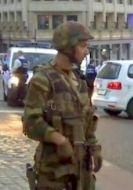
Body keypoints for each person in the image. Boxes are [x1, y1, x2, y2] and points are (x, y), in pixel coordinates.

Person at [22, 21, 102, 190]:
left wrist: (95, 147)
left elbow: (86, 122)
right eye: (82, 46)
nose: (86, 51)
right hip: (54, 174)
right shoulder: (43, 80)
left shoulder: (79, 81)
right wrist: (59, 139)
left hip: (82, 171)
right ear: (68, 47)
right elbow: (30, 123)